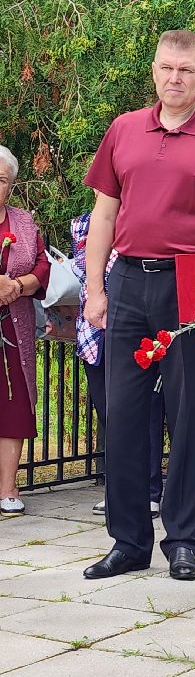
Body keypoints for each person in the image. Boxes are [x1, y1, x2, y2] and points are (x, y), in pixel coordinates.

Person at [82, 29, 195, 581]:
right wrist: (95, 289)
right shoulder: (124, 130)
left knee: (188, 418)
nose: (174, 78)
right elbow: (104, 215)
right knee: (122, 414)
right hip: (128, 282)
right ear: (154, 71)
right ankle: (128, 542)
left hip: (192, 287)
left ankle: (182, 541)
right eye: (166, 68)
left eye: (186, 70)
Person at [70, 210, 165, 519]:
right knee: (111, 415)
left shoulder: (138, 219)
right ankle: (118, 491)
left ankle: (149, 492)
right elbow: (83, 271)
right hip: (93, 331)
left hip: (133, 327)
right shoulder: (83, 224)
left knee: (146, 413)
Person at [0, 146, 50, 516]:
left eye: (2, 180)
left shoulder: (23, 221)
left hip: (14, 326)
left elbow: (42, 264)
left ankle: (8, 487)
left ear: (12, 185)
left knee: (13, 404)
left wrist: (18, 285)